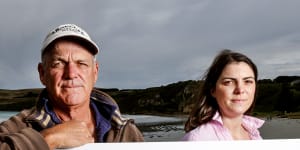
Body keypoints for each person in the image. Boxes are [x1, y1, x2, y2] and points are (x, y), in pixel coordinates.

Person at [0, 24, 144, 149]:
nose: (71, 73)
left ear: (95, 72)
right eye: (59, 63)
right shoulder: (16, 127)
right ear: (42, 73)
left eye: (81, 64)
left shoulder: (126, 131)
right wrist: (49, 139)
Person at [182, 49, 264, 141]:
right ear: (213, 90)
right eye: (228, 82)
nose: (240, 90)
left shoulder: (255, 135)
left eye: (248, 81)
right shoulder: (198, 139)